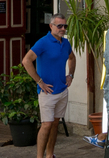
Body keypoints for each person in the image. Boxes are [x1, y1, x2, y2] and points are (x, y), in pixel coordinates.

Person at [22, 14, 75, 158]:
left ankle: (50, 155)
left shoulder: (66, 43)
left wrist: (70, 75)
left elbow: (72, 57)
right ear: (51, 26)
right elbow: (26, 61)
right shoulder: (43, 43)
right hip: (47, 93)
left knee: (55, 124)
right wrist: (40, 82)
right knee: (46, 125)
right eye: (59, 26)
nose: (63, 29)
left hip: (62, 90)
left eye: (65, 26)